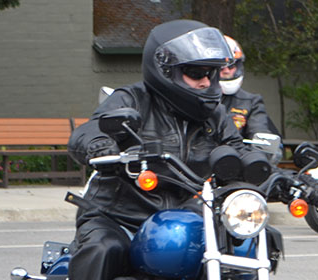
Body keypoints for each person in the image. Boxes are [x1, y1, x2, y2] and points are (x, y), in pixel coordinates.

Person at [67, 20, 270, 280]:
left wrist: (275, 175)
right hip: (120, 216)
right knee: (104, 249)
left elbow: (236, 148)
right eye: (196, 73)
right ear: (165, 70)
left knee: (243, 248)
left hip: (190, 216)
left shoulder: (216, 116)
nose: (206, 82)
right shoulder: (133, 100)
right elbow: (89, 130)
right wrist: (100, 144)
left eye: (211, 73)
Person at [219, 35, 280, 140]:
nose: (226, 71)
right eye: (221, 66)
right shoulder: (197, 98)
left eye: (231, 66)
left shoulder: (251, 102)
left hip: (238, 154)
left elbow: (259, 134)